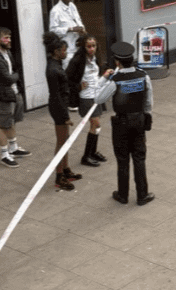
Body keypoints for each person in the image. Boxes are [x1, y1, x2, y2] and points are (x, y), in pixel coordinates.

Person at [94, 41, 155, 206]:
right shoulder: (143, 76)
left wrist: (103, 78)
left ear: (117, 62)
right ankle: (142, 195)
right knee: (139, 158)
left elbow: (98, 98)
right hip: (139, 120)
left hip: (121, 123)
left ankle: (122, 195)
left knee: (122, 160)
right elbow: (149, 102)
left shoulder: (116, 80)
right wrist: (145, 115)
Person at [0, 27, 31, 168]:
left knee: (12, 122)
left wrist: (15, 77)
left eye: (10, 37)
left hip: (14, 93)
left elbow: (14, 72)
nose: (9, 40)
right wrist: (16, 76)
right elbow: (8, 78)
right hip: (4, 96)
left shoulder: (7, 53)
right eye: (6, 38)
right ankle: (5, 155)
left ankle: (14, 147)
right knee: (4, 125)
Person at [43, 32, 83, 191]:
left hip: (61, 106)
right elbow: (56, 95)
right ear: (56, 51)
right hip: (58, 108)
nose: (66, 53)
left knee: (65, 141)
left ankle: (65, 170)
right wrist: (65, 116)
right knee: (61, 143)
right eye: (63, 50)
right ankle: (59, 177)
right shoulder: (53, 69)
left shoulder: (56, 64)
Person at [66, 34, 112, 167]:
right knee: (95, 124)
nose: (92, 49)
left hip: (96, 95)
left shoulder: (95, 58)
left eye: (94, 46)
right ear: (84, 47)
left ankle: (93, 152)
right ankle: (86, 156)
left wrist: (105, 76)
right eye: (89, 46)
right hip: (86, 97)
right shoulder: (77, 61)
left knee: (97, 126)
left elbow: (95, 79)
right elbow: (67, 79)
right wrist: (77, 87)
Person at [48, 0, 85, 69]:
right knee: (69, 73)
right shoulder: (55, 10)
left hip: (78, 46)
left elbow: (78, 20)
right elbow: (52, 31)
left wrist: (82, 29)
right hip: (67, 50)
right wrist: (70, 29)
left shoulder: (72, 6)